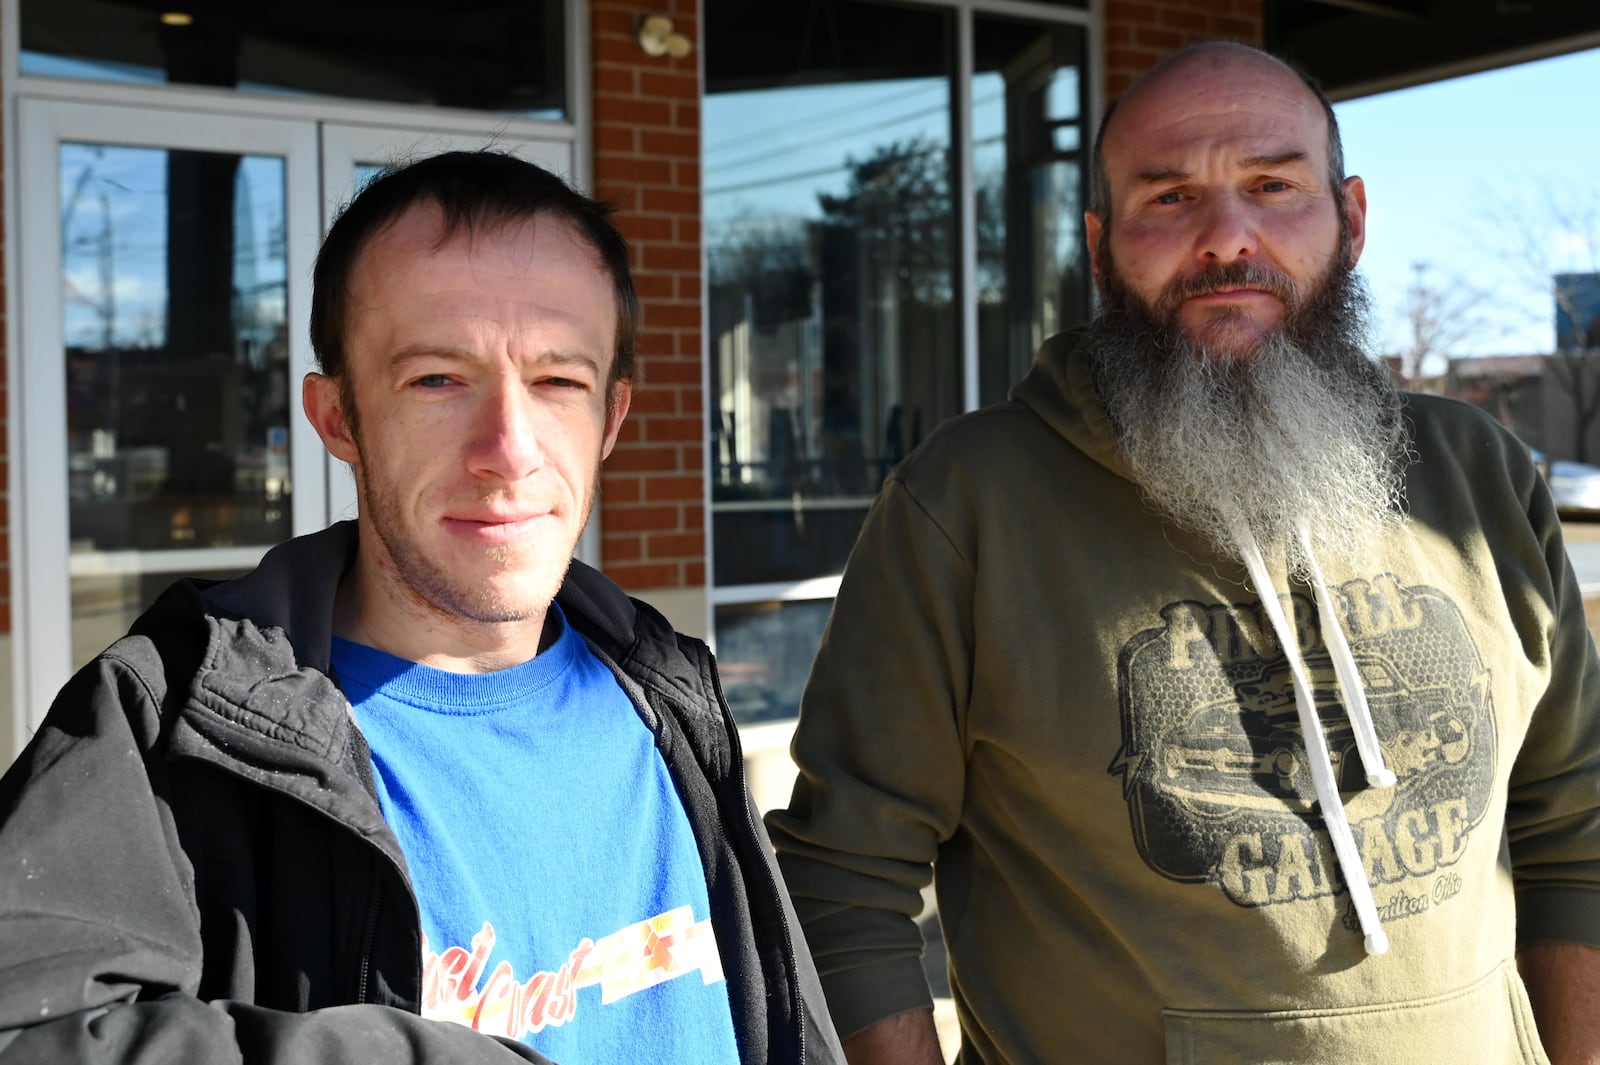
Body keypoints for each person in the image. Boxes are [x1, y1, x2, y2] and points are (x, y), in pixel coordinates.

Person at [766, 41, 1600, 1065]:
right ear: (1100, 243)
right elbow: (846, 879)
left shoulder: (1478, 476)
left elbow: (1577, 826)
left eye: (1272, 186)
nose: (1225, 238)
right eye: (1167, 199)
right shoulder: (967, 504)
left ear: (1352, 217)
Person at [0, 150, 843, 1065]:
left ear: (611, 416)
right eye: (438, 378)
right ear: (338, 419)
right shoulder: (175, 727)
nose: (509, 450)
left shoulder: (671, 694)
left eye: (559, 381)